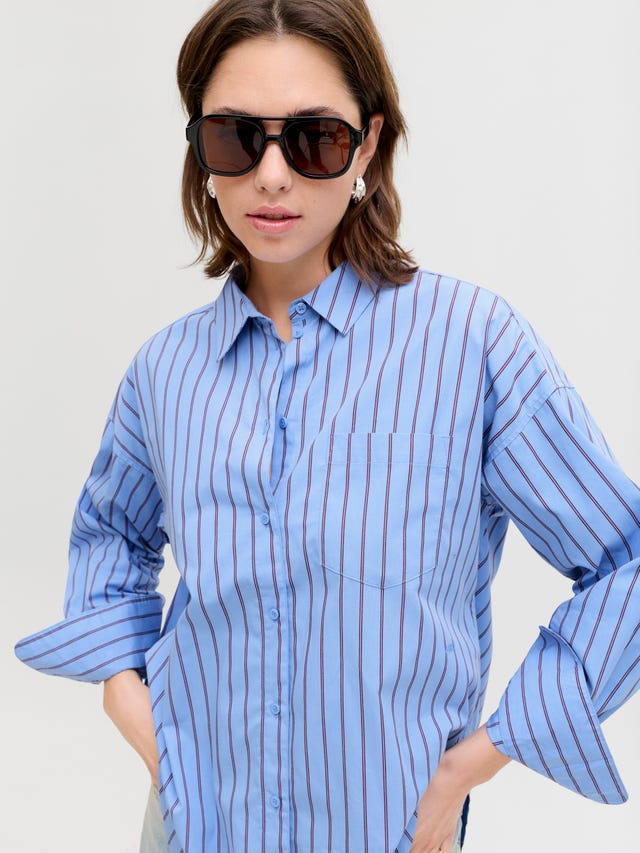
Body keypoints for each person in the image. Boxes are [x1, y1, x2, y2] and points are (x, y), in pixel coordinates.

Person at [14, 1, 640, 851]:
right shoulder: (164, 371)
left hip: (391, 829)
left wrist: (471, 766)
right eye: (236, 137)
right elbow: (111, 539)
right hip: (195, 826)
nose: (272, 175)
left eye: (314, 139)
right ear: (201, 152)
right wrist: (137, 711)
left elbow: (624, 562)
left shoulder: (473, 343)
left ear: (368, 145)